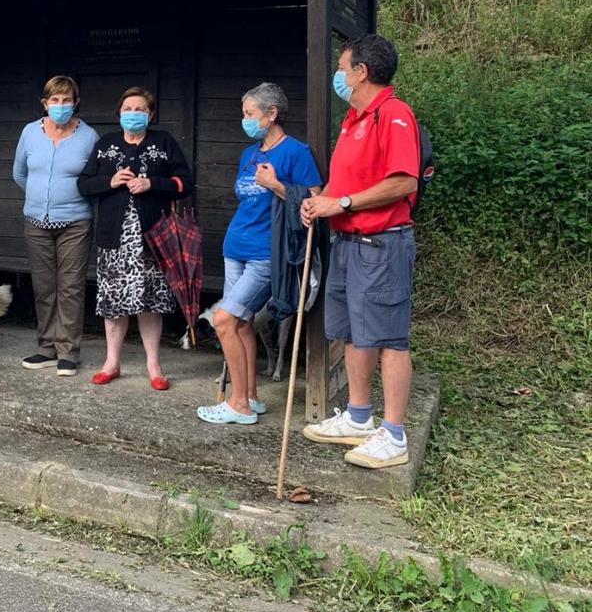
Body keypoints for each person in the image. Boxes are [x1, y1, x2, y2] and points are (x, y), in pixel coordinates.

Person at [301, 34, 420, 470]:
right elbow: (343, 181)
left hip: (382, 244)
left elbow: (404, 181)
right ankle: (357, 417)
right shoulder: (353, 119)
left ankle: (393, 434)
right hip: (348, 243)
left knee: (388, 336)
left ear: (361, 72)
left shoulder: (394, 115)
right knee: (351, 332)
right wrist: (321, 200)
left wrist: (343, 204)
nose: (339, 74)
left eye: (342, 67)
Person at [196, 83, 321, 425]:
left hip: (266, 253)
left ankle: (238, 405)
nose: (245, 120)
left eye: (250, 114)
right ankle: (250, 394)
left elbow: (313, 199)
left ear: (271, 114)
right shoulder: (249, 154)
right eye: (244, 114)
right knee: (243, 324)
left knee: (223, 320)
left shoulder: (296, 152)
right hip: (235, 247)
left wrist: (278, 186)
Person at [77, 87, 193, 390]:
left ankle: (154, 366)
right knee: (113, 302)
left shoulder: (164, 142)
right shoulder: (106, 144)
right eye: (128, 108)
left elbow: (185, 183)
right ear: (119, 113)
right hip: (114, 239)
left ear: (150, 114)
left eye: (140, 109)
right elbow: (84, 184)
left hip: (152, 239)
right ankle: (111, 363)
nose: (133, 114)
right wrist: (110, 180)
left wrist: (151, 183)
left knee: (150, 303)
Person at [12, 75, 98, 377]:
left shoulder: (89, 137)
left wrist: (62, 198)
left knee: (71, 287)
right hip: (36, 221)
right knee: (44, 286)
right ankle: (46, 347)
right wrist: (41, 199)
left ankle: (68, 352)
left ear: (75, 102)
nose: (60, 106)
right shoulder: (29, 133)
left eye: (66, 100)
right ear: (45, 103)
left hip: (75, 221)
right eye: (54, 100)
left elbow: (92, 179)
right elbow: (19, 174)